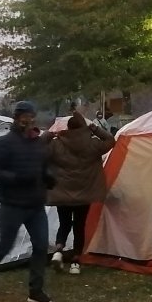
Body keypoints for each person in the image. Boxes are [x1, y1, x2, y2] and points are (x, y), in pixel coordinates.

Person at [0, 100, 56, 302]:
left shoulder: (39, 143)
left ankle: (35, 291)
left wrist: (48, 177)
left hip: (36, 204)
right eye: (24, 117)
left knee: (40, 246)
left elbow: (43, 167)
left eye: (31, 117)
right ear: (16, 118)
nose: (28, 121)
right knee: (5, 245)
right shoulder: (3, 143)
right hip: (12, 204)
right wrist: (16, 178)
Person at [47, 110, 116, 274]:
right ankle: (75, 262)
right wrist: (94, 128)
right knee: (79, 226)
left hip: (62, 193)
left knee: (64, 224)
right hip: (84, 193)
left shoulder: (57, 144)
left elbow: (40, 149)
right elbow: (111, 140)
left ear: (68, 128)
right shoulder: (92, 144)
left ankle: (58, 251)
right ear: (84, 128)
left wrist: (51, 134)